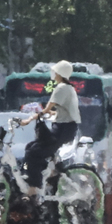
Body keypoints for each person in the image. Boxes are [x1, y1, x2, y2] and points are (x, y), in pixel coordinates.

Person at [20, 60, 81, 191]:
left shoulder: (61, 88)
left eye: (55, 71)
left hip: (63, 130)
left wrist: (29, 119)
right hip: (64, 128)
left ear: (60, 73)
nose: (53, 74)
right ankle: (47, 177)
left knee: (33, 152)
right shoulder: (69, 88)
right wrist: (51, 114)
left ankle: (34, 188)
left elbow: (46, 109)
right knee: (31, 146)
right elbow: (60, 111)